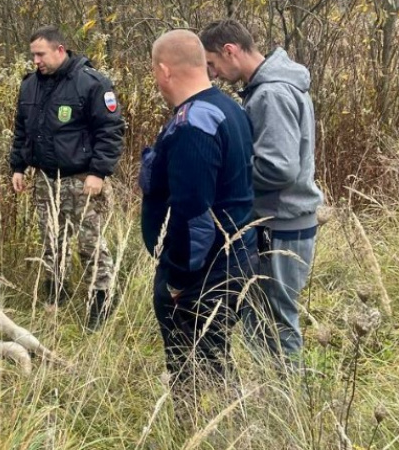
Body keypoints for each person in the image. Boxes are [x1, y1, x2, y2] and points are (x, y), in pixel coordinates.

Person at [140, 30, 257, 408]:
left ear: (164, 70)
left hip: (204, 274)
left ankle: (198, 428)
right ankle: (228, 424)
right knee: (214, 357)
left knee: (194, 365)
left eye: (154, 72)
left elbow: (194, 217)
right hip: (232, 259)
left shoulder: (193, 126)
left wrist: (177, 279)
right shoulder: (227, 108)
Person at [200, 19, 324, 362]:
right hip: (277, 220)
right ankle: (268, 387)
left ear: (230, 50)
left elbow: (279, 167)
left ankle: (286, 392)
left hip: (281, 224)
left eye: (212, 63)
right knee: (260, 315)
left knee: (276, 321)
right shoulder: (266, 88)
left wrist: (227, 176)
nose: (213, 73)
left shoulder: (271, 94)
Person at [9, 25, 126, 331]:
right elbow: (22, 129)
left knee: (90, 245)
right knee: (52, 242)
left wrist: (99, 172)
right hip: (45, 180)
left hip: (82, 179)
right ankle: (56, 295)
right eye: (33, 55)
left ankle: (101, 300)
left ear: (60, 50)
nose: (36, 61)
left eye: (41, 54)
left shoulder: (91, 83)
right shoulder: (30, 86)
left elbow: (111, 131)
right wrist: (18, 166)